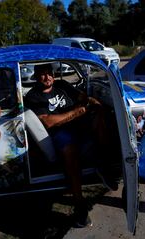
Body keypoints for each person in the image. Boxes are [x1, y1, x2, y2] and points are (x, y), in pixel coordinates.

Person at [25, 63, 117, 228]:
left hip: (79, 123)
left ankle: (104, 165)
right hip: (60, 132)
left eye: (49, 73)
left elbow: (82, 97)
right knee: (70, 150)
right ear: (36, 76)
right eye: (43, 74)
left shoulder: (62, 84)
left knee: (100, 116)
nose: (47, 77)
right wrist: (76, 112)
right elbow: (48, 121)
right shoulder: (34, 96)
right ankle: (80, 206)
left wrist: (93, 102)